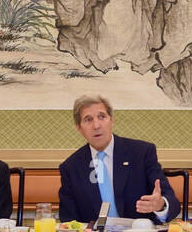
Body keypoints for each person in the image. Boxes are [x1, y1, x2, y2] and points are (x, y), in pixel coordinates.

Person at [57, 94, 180, 224]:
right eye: (88, 120)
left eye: (102, 117)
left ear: (111, 120)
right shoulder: (71, 167)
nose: (96, 125)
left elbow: (173, 203)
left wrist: (160, 205)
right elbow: (68, 219)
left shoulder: (141, 153)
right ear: (79, 128)